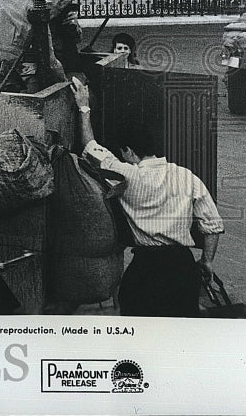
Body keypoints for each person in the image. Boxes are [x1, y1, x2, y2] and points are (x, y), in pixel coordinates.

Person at [71, 77, 224, 317]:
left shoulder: (126, 175)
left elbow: (90, 146)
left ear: (129, 151)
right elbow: (212, 225)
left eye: (123, 153)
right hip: (182, 267)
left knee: (139, 328)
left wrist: (83, 106)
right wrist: (207, 261)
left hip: (147, 268)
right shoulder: (186, 176)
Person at [43, 0, 83, 75]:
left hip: (67, 57)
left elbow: (77, 38)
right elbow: (43, 16)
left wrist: (73, 25)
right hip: (48, 60)